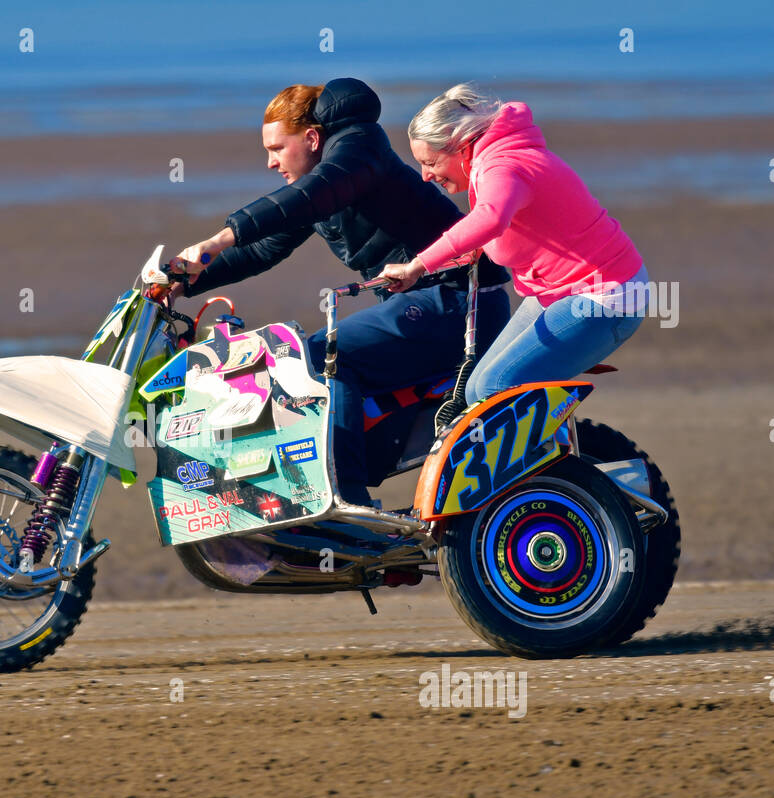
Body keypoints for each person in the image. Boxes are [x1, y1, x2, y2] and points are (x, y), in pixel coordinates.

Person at [165, 77, 511, 508]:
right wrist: (181, 283)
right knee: (300, 359)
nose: (272, 163)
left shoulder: (358, 151)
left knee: (320, 361)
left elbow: (312, 194)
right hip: (429, 305)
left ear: (312, 138)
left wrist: (219, 239)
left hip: (458, 303)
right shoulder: (323, 186)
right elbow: (263, 249)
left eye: (277, 149)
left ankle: (344, 501)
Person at [379, 83, 649, 408]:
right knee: (476, 389)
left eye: (431, 162)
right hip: (558, 292)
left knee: (496, 387)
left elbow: (490, 220)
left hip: (607, 295)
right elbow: (497, 231)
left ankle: (548, 459)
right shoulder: (492, 161)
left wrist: (417, 267)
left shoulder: (503, 166)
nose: (424, 175)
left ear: (462, 146)